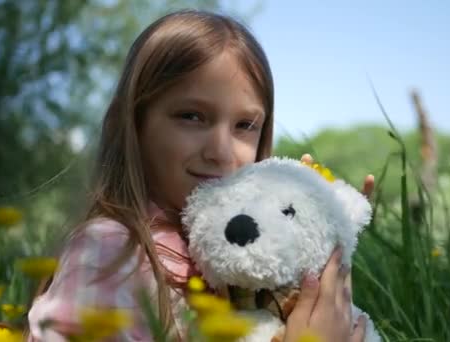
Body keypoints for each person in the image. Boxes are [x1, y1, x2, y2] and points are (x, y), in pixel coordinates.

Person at [27, 9, 375, 342]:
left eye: (244, 125)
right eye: (192, 116)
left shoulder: (241, 254)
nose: (221, 151)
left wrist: (313, 228)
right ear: (130, 125)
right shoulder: (111, 251)